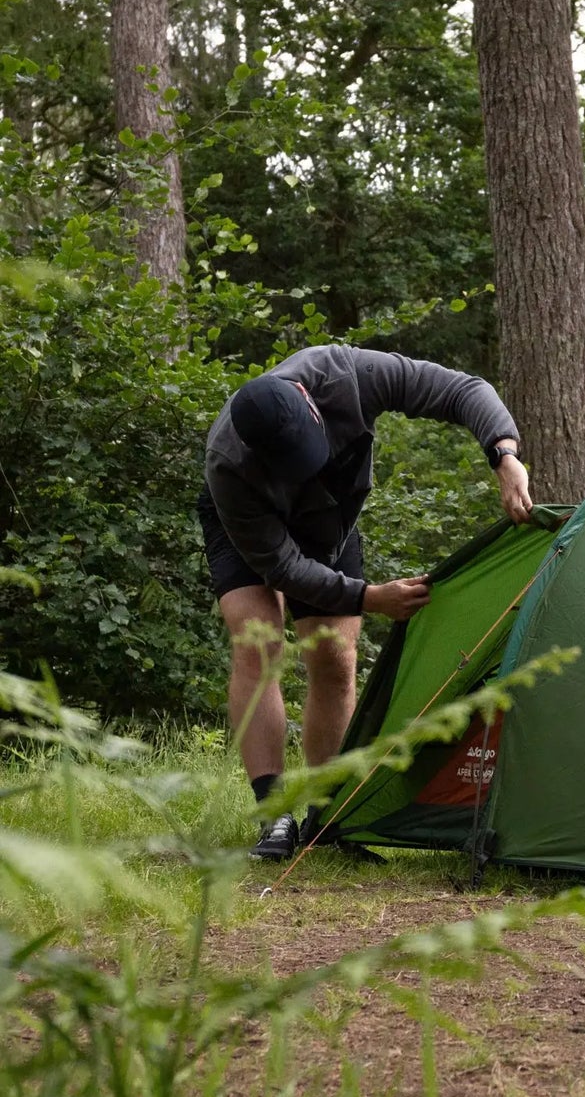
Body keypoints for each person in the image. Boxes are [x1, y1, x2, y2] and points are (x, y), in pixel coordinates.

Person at [198, 345, 533, 861]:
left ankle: (327, 816)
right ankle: (273, 815)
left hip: (329, 522)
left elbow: (463, 388)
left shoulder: (348, 374)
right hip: (255, 530)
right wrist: (369, 597)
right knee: (255, 639)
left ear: (311, 404)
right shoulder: (228, 465)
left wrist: (504, 453)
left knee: (334, 656)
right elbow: (282, 569)